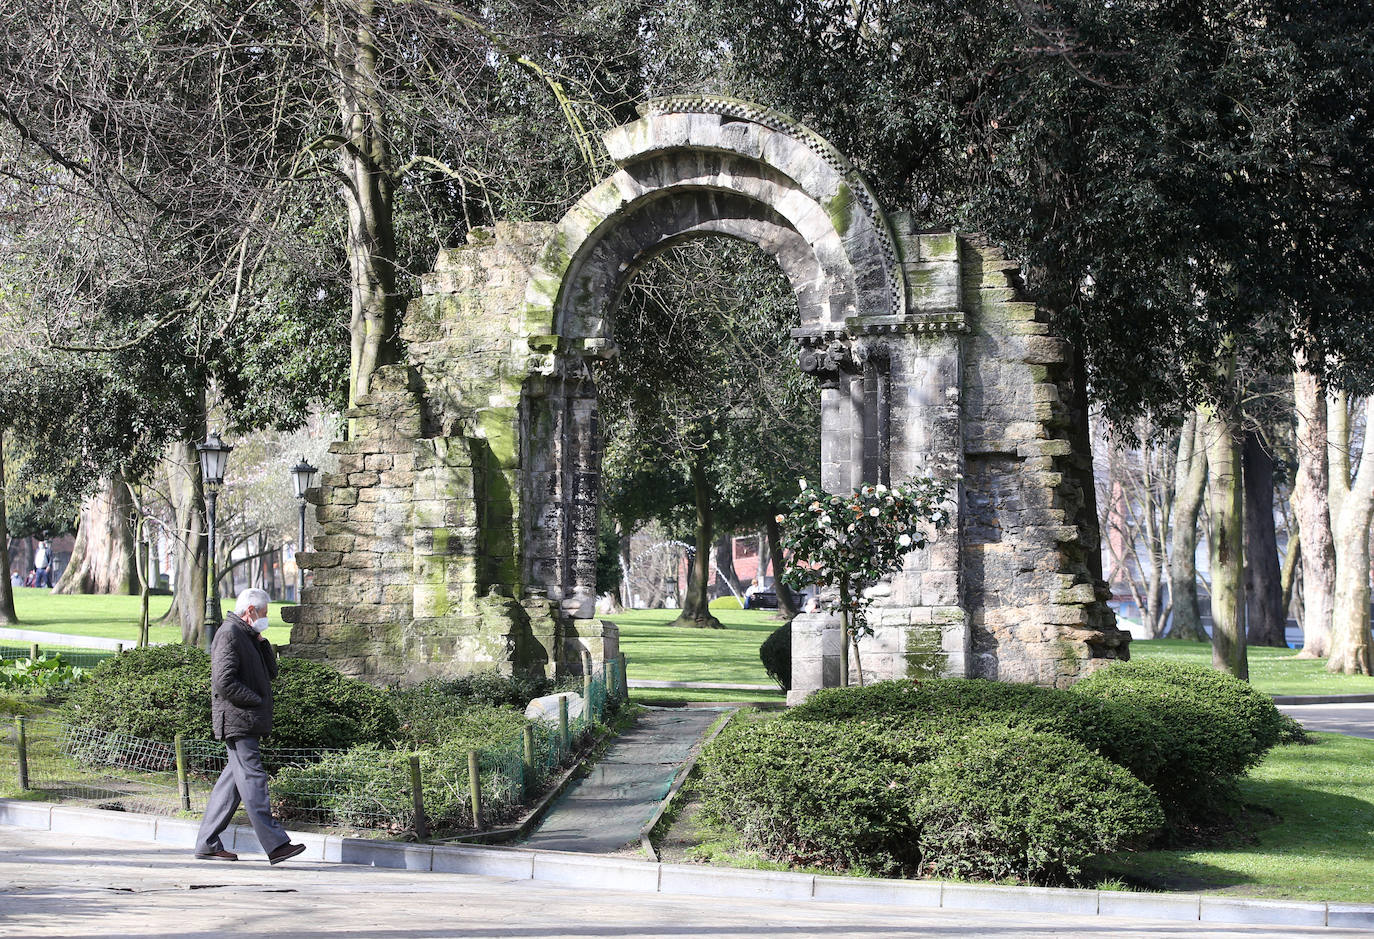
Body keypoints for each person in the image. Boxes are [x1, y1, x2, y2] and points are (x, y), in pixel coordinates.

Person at [194, 587, 306, 865]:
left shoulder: (245, 635)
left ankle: (207, 844)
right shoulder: (229, 634)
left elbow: (271, 673)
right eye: (264, 613)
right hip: (239, 721)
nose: (266, 618)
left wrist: (262, 642)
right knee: (254, 780)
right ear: (251, 611)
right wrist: (255, 701)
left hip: (245, 720)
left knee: (231, 785)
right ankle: (276, 844)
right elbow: (224, 681)